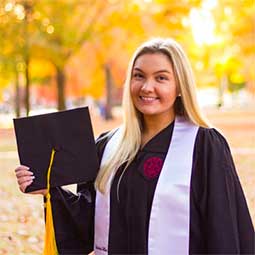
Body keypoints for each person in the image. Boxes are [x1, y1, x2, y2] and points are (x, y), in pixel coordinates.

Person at [15, 38, 254, 254]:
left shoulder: (203, 147)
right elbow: (88, 223)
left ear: (180, 86)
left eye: (161, 78)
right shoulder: (107, 147)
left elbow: (222, 229)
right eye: (139, 76)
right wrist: (51, 191)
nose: (147, 87)